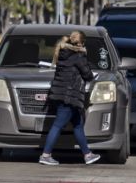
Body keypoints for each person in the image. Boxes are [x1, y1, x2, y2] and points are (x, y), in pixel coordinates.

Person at [39, 31, 101, 166]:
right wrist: (92, 75)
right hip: (69, 96)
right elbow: (88, 75)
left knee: (78, 125)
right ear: (81, 43)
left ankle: (88, 155)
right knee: (57, 125)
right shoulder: (78, 56)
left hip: (61, 94)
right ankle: (45, 155)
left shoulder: (63, 54)